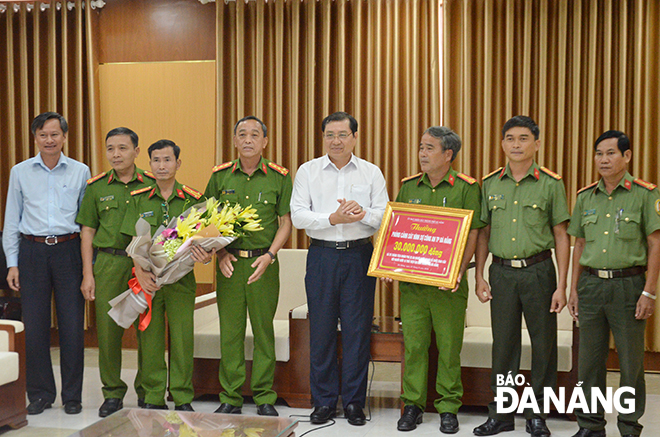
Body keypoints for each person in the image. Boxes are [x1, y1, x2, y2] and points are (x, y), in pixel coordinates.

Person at [290, 111, 389, 426]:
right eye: (330, 134)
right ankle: (322, 402)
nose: (336, 140)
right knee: (321, 331)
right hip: (322, 256)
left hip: (359, 257)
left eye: (343, 134)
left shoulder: (371, 173)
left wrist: (361, 215)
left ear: (355, 138)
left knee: (357, 331)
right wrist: (332, 219)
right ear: (323, 138)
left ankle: (354, 404)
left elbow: (384, 215)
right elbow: (298, 216)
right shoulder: (308, 171)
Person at [473, 116, 570, 437]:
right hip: (500, 273)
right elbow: (483, 233)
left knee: (544, 345)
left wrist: (562, 285)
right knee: (504, 345)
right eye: (510, 139)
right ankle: (500, 414)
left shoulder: (551, 183)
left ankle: (537, 414)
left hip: (540, 272)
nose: (516, 144)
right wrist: (480, 276)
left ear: (537, 144)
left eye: (524, 138)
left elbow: (561, 236)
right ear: (502, 143)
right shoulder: (490, 183)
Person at [567, 130, 660, 437]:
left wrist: (649, 291)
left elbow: (654, 243)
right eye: (598, 154)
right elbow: (579, 244)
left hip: (628, 286)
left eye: (610, 153)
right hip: (591, 286)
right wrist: (573, 289)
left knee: (631, 363)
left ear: (627, 156)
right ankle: (590, 426)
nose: (603, 160)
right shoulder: (585, 197)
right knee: (589, 363)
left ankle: (629, 426)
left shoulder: (645, 194)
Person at [391, 126, 484, 434]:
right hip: (414, 285)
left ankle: (448, 407)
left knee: (448, 347)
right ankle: (413, 405)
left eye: (429, 148)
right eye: (421, 147)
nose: (422, 153)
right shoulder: (409, 186)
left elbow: (474, 232)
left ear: (448, 154)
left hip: (448, 285)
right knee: (415, 346)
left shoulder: (466, 187)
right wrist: (390, 264)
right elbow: (397, 228)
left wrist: (460, 270)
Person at [2, 112, 91, 415]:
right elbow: (11, 220)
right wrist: (12, 264)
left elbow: (87, 223)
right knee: (36, 327)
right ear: (35, 138)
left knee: (71, 327)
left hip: (69, 251)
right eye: (43, 135)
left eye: (55, 134)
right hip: (32, 252)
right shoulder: (20, 171)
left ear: (65, 137)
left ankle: (72, 395)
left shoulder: (80, 171)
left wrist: (86, 267)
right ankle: (40, 394)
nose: (49, 140)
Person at [204, 116, 293, 417]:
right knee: (231, 333)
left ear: (265, 141)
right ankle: (230, 397)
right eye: (242, 134)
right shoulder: (220, 176)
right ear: (234, 140)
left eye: (255, 134)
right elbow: (206, 220)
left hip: (263, 264)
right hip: (230, 265)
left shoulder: (279, 177)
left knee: (263, 332)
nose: (248, 139)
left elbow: (286, 222)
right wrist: (219, 253)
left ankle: (265, 397)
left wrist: (270, 255)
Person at [120, 139, 212, 411]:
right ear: (149, 164)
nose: (162, 166)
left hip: (181, 282)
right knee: (149, 339)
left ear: (178, 163)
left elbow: (204, 241)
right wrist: (140, 270)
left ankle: (183, 397)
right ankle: (153, 396)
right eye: (156, 160)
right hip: (149, 281)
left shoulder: (195, 201)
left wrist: (205, 255)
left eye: (167, 160)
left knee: (182, 339)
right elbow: (132, 241)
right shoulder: (138, 199)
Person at [76, 127, 153, 417]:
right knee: (108, 333)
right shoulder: (96, 187)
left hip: (144, 264)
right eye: (110, 149)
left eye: (122, 148)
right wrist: (88, 273)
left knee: (147, 328)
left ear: (136, 150)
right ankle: (112, 393)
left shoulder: (150, 182)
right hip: (108, 263)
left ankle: (147, 390)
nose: (116, 154)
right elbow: (87, 231)